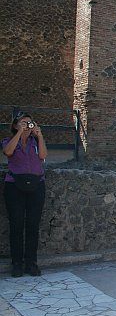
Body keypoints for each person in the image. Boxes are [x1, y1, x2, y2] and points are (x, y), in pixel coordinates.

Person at [2, 112, 48, 277]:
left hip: (36, 186)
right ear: (15, 125)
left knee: (32, 226)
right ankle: (17, 264)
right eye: (23, 123)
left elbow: (43, 156)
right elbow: (8, 152)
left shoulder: (35, 142)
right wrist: (20, 133)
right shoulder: (9, 141)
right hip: (15, 187)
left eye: (29, 123)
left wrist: (40, 135)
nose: (27, 126)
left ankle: (31, 263)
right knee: (16, 225)